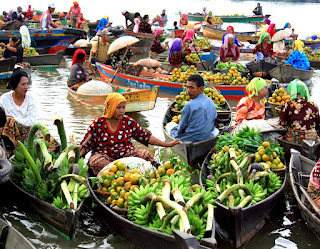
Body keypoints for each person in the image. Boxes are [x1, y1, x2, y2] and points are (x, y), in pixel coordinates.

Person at [80, 92, 179, 175]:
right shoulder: (98, 123)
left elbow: (145, 136)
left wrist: (167, 144)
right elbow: (86, 145)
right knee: (96, 163)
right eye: (118, 108)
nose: (122, 111)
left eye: (123, 107)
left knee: (146, 155)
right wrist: (76, 155)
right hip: (104, 156)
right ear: (111, 107)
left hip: (126, 154)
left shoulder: (128, 122)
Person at [169, 75, 218, 142]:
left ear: (201, 89)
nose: (188, 91)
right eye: (187, 87)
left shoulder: (189, 105)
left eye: (191, 88)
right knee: (216, 130)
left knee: (170, 125)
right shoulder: (210, 101)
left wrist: (177, 136)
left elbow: (181, 128)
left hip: (189, 139)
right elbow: (214, 119)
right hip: (206, 137)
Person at [0, 70, 36, 145]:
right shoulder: (4, 98)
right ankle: (10, 146)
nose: (26, 87)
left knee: (43, 134)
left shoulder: (31, 99)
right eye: (23, 84)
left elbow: (31, 121)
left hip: (26, 132)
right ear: (15, 84)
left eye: (27, 84)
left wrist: (14, 119)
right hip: (8, 133)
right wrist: (11, 120)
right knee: (9, 121)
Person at [280, 79, 319, 145]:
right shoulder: (313, 105)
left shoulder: (287, 104)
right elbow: (318, 123)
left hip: (293, 139)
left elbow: (282, 123)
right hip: (310, 139)